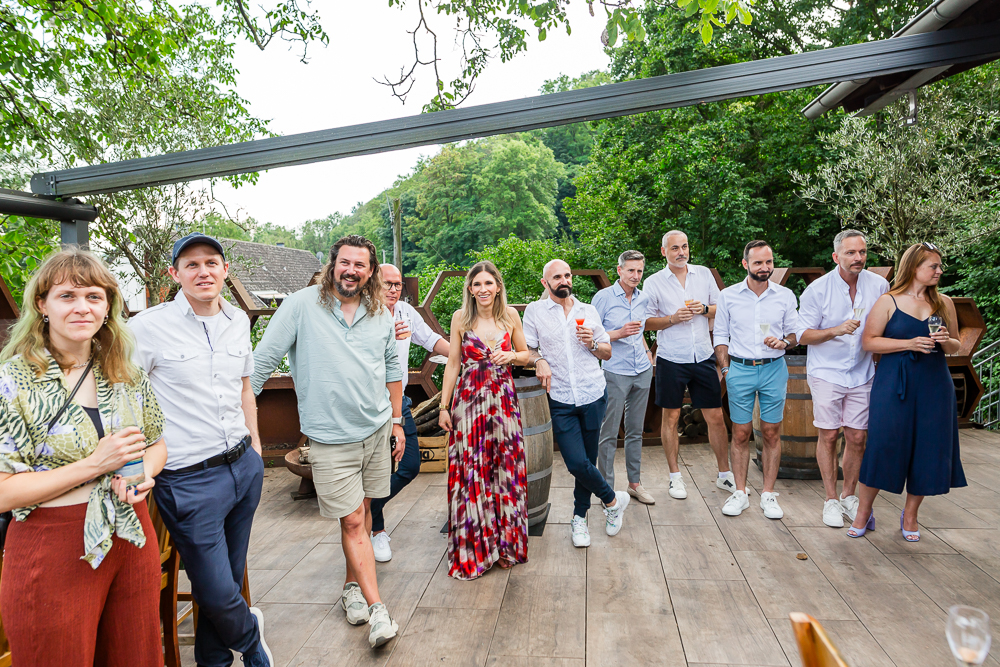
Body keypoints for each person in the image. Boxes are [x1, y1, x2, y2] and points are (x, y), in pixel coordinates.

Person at [0, 248, 168, 666]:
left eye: (94, 296)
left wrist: (143, 473)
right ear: (42, 304)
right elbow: (3, 492)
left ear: (108, 306)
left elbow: (157, 442)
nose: (82, 307)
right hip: (54, 547)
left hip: (130, 533)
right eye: (68, 296)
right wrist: (95, 465)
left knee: (137, 657)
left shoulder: (124, 371)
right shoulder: (13, 381)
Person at [251, 235, 405, 648]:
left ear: (371, 272)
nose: (352, 270)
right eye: (345, 262)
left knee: (365, 512)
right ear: (332, 264)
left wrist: (397, 421)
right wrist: (243, 426)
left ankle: (352, 588)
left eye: (361, 265)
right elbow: (261, 365)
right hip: (331, 437)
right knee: (353, 520)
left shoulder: (380, 313)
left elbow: (392, 368)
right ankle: (378, 611)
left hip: (376, 430)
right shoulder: (300, 306)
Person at [128, 233, 272, 666]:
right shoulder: (146, 327)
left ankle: (214, 661)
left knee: (226, 577)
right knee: (213, 586)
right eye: (191, 265)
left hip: (243, 468)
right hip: (187, 478)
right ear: (175, 275)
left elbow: (244, 387)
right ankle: (252, 641)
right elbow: (124, 396)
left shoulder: (237, 321)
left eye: (212, 262)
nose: (203, 271)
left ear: (225, 271)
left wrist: (258, 451)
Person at [848, 242, 966, 541]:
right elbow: (869, 342)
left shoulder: (944, 303)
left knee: (929, 449)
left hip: (934, 386)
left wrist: (944, 341)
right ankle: (864, 511)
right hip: (893, 385)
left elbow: (955, 346)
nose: (939, 271)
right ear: (914, 268)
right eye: (933, 267)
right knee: (884, 444)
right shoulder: (889, 301)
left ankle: (911, 515)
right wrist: (909, 344)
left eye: (940, 267)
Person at [523, 259, 630, 549]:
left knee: (588, 460)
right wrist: (540, 359)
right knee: (576, 462)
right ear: (545, 283)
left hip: (593, 394)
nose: (564, 280)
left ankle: (579, 518)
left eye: (567, 275)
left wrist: (592, 344)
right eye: (556, 277)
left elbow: (606, 352)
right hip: (559, 397)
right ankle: (612, 500)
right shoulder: (535, 312)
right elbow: (528, 349)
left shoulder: (588, 311)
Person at [438, 261, 530, 579]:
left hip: (503, 402)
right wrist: (443, 406)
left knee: (505, 471)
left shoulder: (510, 317)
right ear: (470, 289)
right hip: (469, 403)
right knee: (473, 470)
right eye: (477, 284)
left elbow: (526, 354)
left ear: (498, 287)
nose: (483, 289)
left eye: (488, 283)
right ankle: (478, 550)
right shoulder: (461, 319)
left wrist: (512, 357)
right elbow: (452, 363)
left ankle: (505, 546)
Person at [797, 230, 889, 528]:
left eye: (862, 252)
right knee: (829, 435)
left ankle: (849, 495)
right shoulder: (817, 290)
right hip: (826, 372)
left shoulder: (879, 285)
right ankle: (830, 499)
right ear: (836, 257)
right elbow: (802, 335)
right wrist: (835, 330)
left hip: (863, 372)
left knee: (858, 437)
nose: (858, 258)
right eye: (851, 253)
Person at [644, 230, 734, 500]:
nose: (681, 252)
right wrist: (672, 318)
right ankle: (675, 478)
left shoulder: (703, 274)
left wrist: (704, 310)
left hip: (703, 355)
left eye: (684, 247)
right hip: (672, 357)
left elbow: (722, 308)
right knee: (670, 418)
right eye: (674, 248)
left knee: (716, 417)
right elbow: (647, 322)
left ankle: (724, 475)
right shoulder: (653, 282)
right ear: (664, 252)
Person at [369, 263, 449, 563]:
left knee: (410, 466)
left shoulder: (405, 313)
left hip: (399, 401)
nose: (393, 289)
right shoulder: (362, 315)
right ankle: (377, 531)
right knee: (377, 469)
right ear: (373, 283)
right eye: (387, 283)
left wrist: (466, 355)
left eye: (398, 284)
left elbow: (431, 340)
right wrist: (387, 336)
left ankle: (367, 509)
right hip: (370, 404)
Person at [714, 240, 799, 520]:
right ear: (745, 264)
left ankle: (768, 494)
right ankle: (740, 493)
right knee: (740, 433)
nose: (765, 268)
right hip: (740, 370)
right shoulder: (728, 296)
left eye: (769, 262)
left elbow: (796, 334)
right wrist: (726, 370)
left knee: (772, 432)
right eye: (759, 263)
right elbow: (720, 336)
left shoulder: (785, 295)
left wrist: (783, 342)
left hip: (774, 368)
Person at [592, 250, 655, 505]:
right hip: (615, 371)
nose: (636, 276)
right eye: (631, 270)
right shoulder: (603, 297)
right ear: (619, 270)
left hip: (642, 369)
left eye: (639, 271)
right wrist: (617, 333)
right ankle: (607, 491)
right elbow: (590, 336)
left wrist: (649, 353)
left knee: (636, 431)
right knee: (608, 433)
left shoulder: (643, 298)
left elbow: (638, 331)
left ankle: (634, 484)